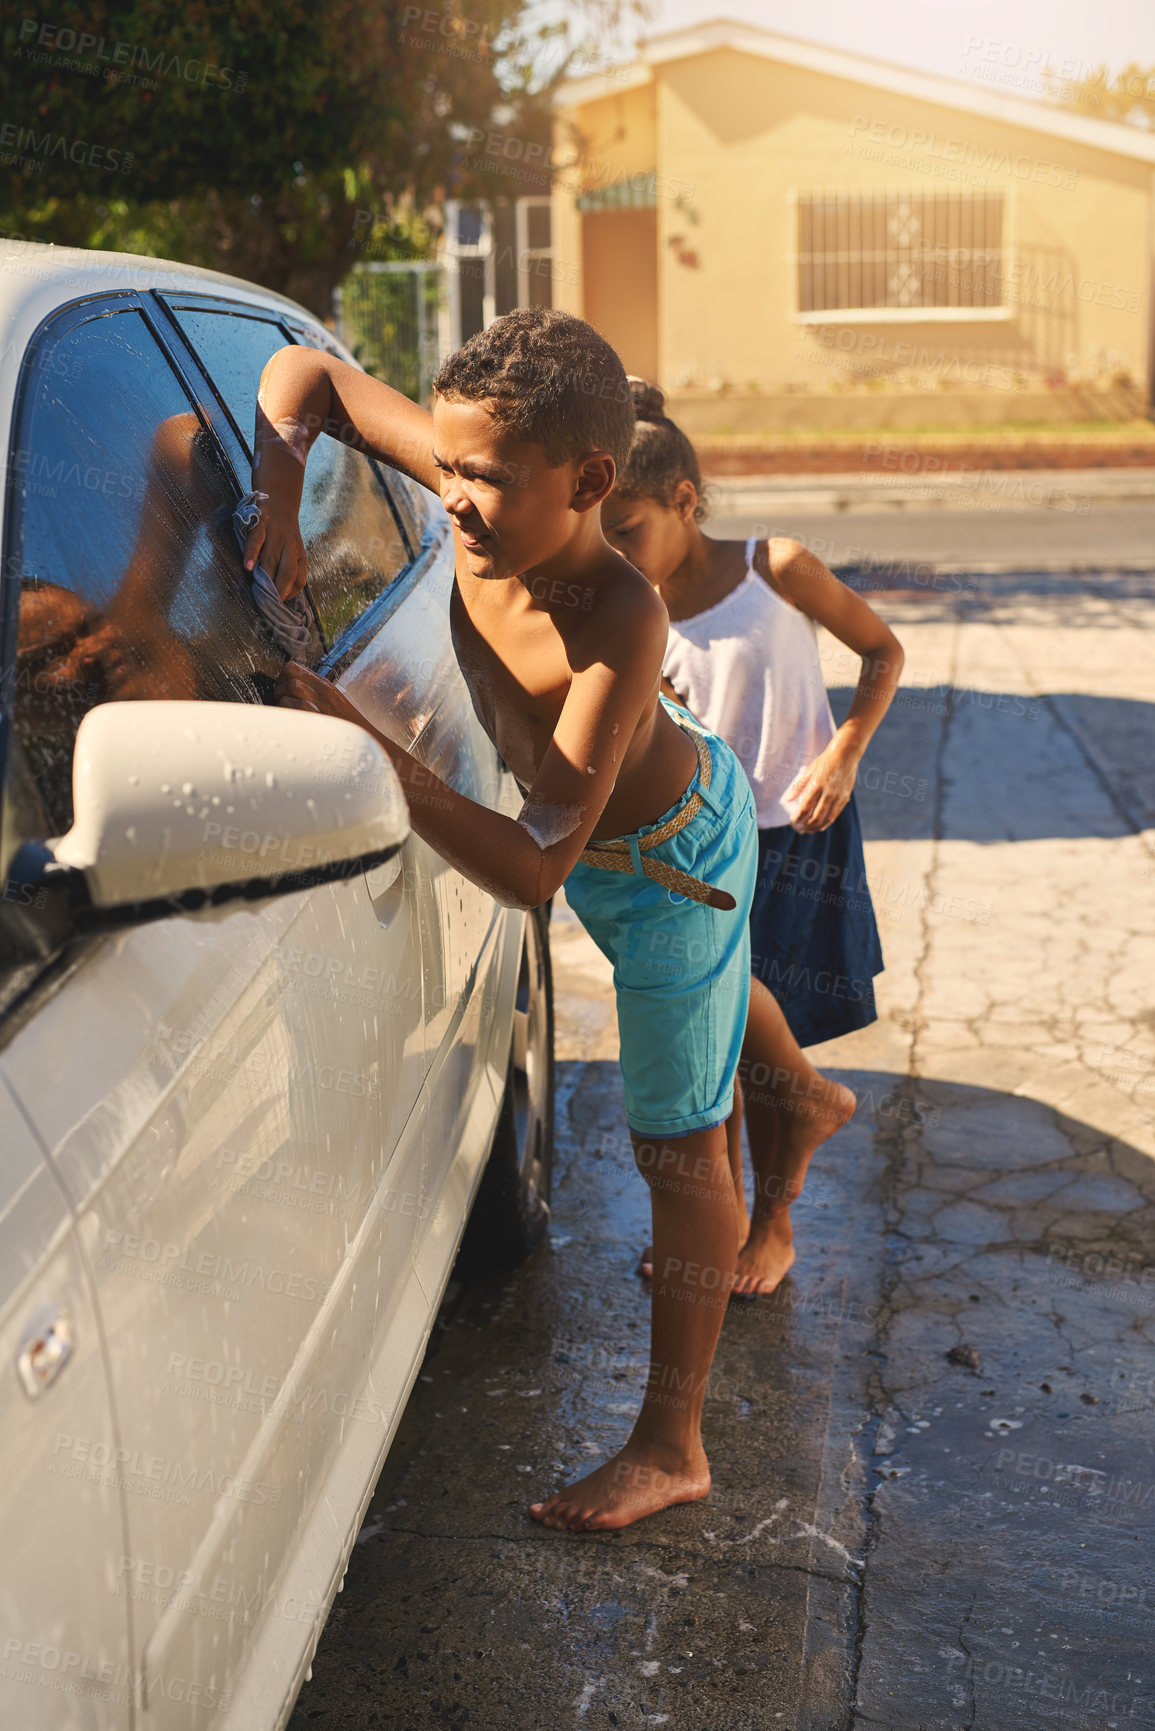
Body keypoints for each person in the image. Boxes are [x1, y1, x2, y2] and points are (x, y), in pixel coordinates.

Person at [244, 308, 759, 1533]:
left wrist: (365, 746)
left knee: (678, 1144)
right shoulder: (477, 462)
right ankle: (784, 1091)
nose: (457, 497)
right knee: (723, 1030)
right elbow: (301, 372)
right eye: (450, 465)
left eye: (489, 479)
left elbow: (533, 869)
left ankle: (671, 1445)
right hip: (606, 828)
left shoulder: (617, 618)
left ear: (591, 482)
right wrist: (278, 485)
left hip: (666, 863)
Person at [601, 379, 904, 1298]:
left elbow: (882, 651)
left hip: (795, 835)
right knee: (714, 1052)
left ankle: (771, 1227)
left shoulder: (776, 567)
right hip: (700, 850)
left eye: (629, 527)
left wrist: (846, 751)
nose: (614, 550)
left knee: (767, 1064)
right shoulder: (629, 609)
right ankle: (718, 1221)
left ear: (685, 503)